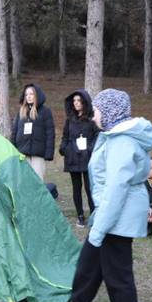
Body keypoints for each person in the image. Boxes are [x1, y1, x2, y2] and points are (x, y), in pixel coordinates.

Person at [51, 88, 152, 302]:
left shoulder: (123, 142)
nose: (93, 113)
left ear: (110, 112)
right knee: (90, 261)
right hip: (111, 212)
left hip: (117, 217)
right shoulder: (114, 136)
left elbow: (116, 189)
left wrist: (100, 227)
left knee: (117, 272)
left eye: (98, 109)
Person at [59, 89, 98, 227]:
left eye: (79, 101)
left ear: (84, 102)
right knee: (76, 188)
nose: (76, 103)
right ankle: (80, 215)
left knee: (90, 188)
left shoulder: (92, 119)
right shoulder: (70, 120)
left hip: (87, 159)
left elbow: (97, 137)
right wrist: (63, 148)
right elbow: (65, 137)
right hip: (72, 157)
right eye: (74, 101)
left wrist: (89, 150)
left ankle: (94, 215)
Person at [10, 83, 55, 181]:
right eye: (26, 95)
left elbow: (50, 133)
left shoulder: (45, 111)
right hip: (22, 153)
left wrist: (49, 153)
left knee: (37, 181)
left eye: (31, 94)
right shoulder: (21, 112)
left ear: (36, 95)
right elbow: (14, 132)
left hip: (38, 153)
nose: (29, 97)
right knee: (25, 181)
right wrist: (12, 149)